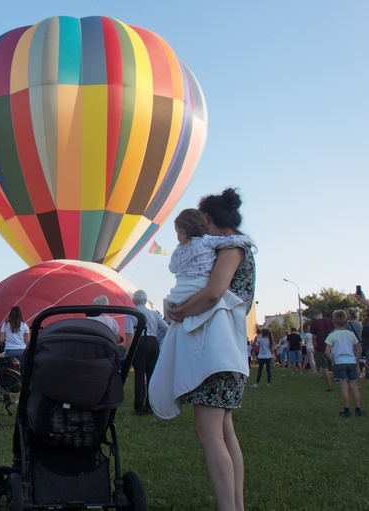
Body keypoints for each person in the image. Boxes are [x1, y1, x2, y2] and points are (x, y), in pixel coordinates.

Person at [151, 188, 255, 511]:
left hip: (216, 350)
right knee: (224, 431)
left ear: (207, 218)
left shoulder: (232, 248)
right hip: (229, 350)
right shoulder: (237, 247)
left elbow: (212, 293)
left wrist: (178, 311)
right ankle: (235, 506)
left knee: (208, 432)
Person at [125, 289, 169, 415]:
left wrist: (129, 352)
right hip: (153, 343)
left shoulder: (132, 314)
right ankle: (151, 406)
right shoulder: (153, 314)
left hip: (140, 343)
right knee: (152, 376)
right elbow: (166, 327)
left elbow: (129, 334)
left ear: (134, 301)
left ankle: (139, 407)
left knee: (139, 375)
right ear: (145, 300)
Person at [325, 310, 362, 417]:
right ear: (347, 321)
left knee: (343, 386)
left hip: (339, 362)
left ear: (333, 321)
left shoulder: (332, 335)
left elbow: (327, 352)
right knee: (354, 386)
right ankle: (358, 409)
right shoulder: (351, 334)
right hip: (351, 361)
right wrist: (356, 359)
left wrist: (333, 361)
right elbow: (359, 350)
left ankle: (346, 410)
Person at [309, 310, 334, 392]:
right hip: (332, 346)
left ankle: (329, 386)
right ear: (321, 314)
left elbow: (314, 337)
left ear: (314, 316)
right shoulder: (329, 321)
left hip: (321, 346)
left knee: (324, 367)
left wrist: (314, 347)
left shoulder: (314, 324)